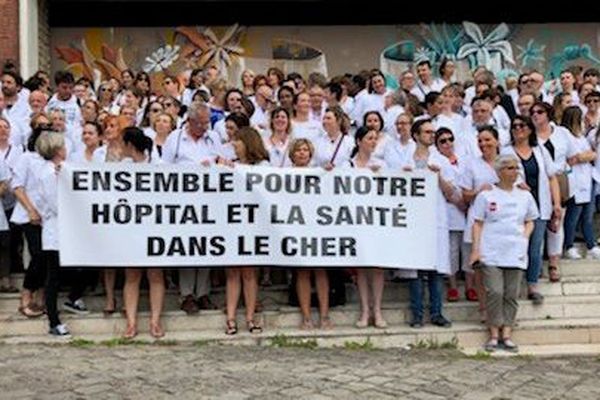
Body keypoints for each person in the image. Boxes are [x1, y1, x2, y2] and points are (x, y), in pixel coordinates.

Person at [470, 154, 539, 352]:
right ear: (500, 171)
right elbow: (478, 223)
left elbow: (530, 220)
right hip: (491, 249)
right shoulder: (487, 195)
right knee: (495, 291)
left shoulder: (524, 196)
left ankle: (507, 332)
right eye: (509, 168)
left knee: (511, 293)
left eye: (516, 168)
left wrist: (524, 237)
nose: (514, 171)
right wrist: (476, 250)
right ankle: (493, 332)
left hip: (515, 250)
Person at [161, 101, 224, 313]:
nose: (206, 127)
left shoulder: (213, 137)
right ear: (190, 121)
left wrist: (213, 166)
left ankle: (203, 293)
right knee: (188, 245)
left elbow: (222, 161)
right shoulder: (175, 138)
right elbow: (165, 169)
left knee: (206, 244)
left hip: (210, 200)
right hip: (184, 201)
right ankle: (187, 294)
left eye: (207, 123)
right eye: (201, 123)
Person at [501, 115, 561, 303]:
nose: (518, 129)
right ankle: (514, 286)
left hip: (539, 206)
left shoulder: (540, 150)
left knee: (535, 248)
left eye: (522, 126)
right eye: (514, 126)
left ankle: (532, 285)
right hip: (515, 209)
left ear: (529, 129)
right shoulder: (505, 151)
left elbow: (552, 178)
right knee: (517, 247)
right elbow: (499, 175)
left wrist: (556, 204)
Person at [404, 119, 454, 328]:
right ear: (416, 135)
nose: (431, 136)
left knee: (435, 268)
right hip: (413, 219)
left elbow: (451, 193)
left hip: (435, 218)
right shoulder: (404, 159)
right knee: (415, 268)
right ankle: (417, 313)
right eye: (427, 132)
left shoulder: (441, 161)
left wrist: (439, 177)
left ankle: (436, 312)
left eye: (433, 132)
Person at [222, 126, 268, 335]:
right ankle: (230, 318)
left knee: (249, 272)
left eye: (238, 141)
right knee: (233, 272)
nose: (234, 144)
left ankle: (250, 317)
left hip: (254, 223)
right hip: (233, 223)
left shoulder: (263, 166)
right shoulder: (231, 166)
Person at [120, 127, 166, 339]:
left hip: (155, 225)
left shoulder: (158, 166)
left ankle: (155, 321)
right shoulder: (122, 167)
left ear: (130, 145)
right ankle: (131, 322)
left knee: (155, 274)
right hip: (131, 227)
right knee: (132, 274)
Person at [290, 138, 333, 330]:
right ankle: (306, 317)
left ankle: (324, 316)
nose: (302, 153)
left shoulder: (320, 173)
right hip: (296, 227)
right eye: (298, 150)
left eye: (305, 150)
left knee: (321, 271)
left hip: (317, 227)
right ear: (292, 154)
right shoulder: (283, 174)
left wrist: (329, 173)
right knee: (303, 272)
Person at [347, 127, 387, 328]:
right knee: (362, 267)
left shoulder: (382, 164)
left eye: (375, 138)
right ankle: (365, 310)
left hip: (377, 219)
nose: (373, 141)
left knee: (377, 267)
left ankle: (378, 310)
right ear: (358, 141)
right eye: (369, 138)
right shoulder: (348, 165)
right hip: (356, 220)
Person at [36, 130, 71, 336]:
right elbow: (55, 203)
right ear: (57, 150)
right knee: (53, 278)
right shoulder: (49, 173)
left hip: (60, 229)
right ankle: (53, 321)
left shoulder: (56, 170)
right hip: (54, 230)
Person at [434, 127, 474, 302]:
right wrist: (460, 203)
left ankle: (470, 286)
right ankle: (452, 287)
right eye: (442, 141)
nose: (447, 143)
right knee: (451, 251)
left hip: (468, 211)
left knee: (468, 250)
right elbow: (447, 190)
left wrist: (467, 203)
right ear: (437, 145)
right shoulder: (436, 162)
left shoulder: (465, 160)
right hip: (450, 211)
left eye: (450, 139)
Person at [560, 106, 600, 259]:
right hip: (574, 180)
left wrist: (581, 157)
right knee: (573, 214)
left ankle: (591, 245)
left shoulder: (581, 137)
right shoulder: (565, 134)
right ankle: (569, 245)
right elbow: (570, 157)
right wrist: (582, 157)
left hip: (587, 179)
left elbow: (592, 155)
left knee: (587, 214)